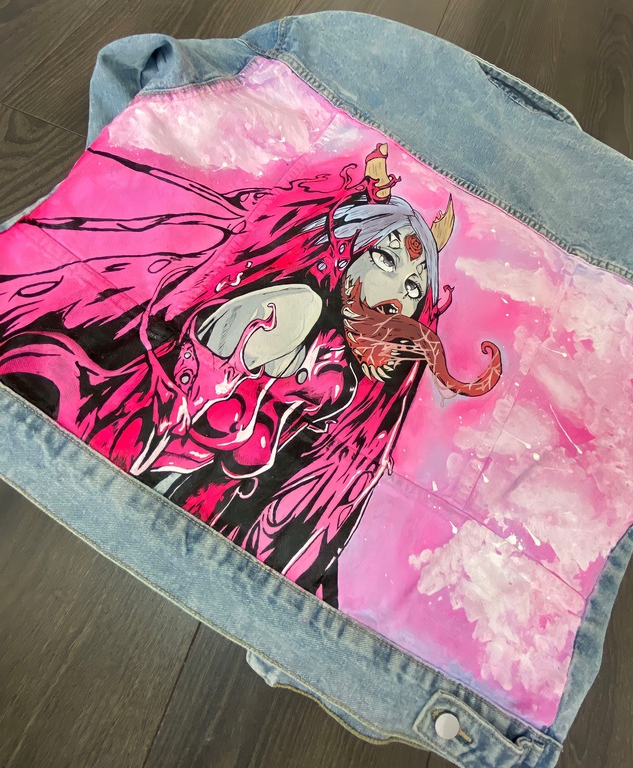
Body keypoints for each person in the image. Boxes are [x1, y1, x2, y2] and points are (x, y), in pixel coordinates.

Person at [0, 142, 501, 602]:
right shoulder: (296, 309)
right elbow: (178, 412)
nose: (398, 295)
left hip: (184, 538)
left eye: (414, 288)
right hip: (119, 482)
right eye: (387, 261)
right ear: (348, 253)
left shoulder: (346, 375)